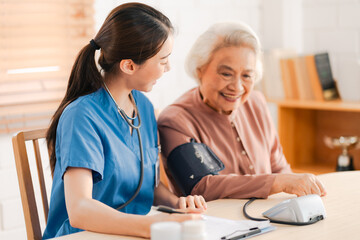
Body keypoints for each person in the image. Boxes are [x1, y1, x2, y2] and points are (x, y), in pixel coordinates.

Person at [43, 3, 206, 239]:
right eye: (163, 60)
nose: (168, 67)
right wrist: (156, 226)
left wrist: (179, 206)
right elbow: (80, 211)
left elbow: (148, 187)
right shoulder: (81, 116)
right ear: (129, 65)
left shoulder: (145, 108)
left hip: (132, 233)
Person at [157, 22, 327, 201]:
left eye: (247, 75)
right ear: (200, 70)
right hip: (215, 224)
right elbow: (200, 186)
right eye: (226, 74)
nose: (237, 87)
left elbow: (279, 167)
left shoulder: (256, 102)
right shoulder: (175, 121)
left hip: (270, 219)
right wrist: (276, 182)